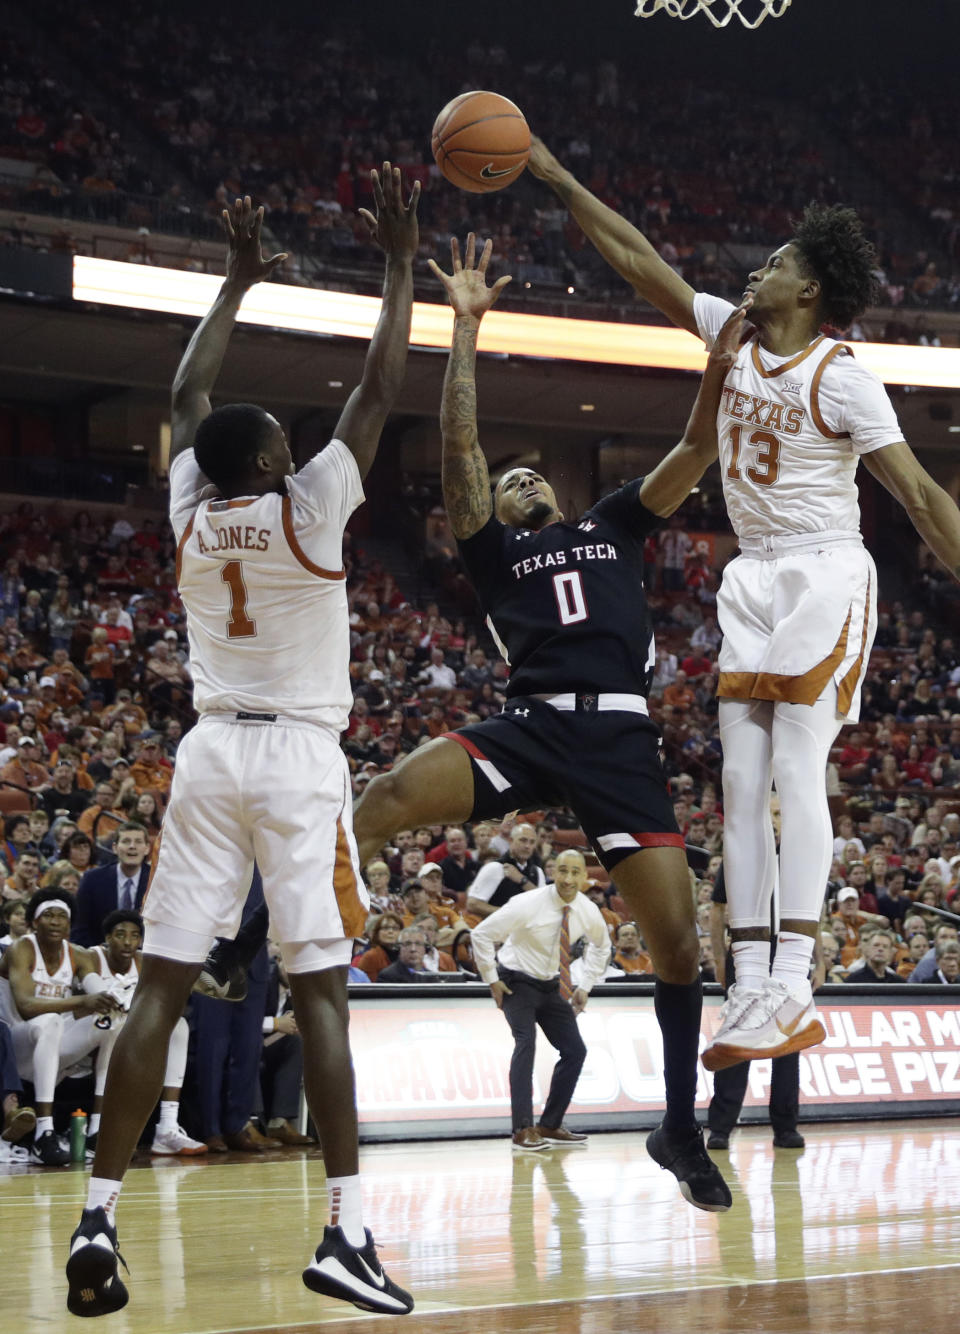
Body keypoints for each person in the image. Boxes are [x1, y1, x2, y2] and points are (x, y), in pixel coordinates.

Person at [65, 175, 419, 1320]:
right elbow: (376, 386)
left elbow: (185, 390)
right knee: (318, 994)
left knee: (158, 987)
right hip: (299, 762)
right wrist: (402, 265)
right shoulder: (309, 507)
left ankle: (98, 1216)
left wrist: (238, 275)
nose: (293, 433)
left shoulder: (187, 507)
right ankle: (348, 1232)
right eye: (282, 433)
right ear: (272, 462)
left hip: (209, 755)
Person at [528, 139, 960, 1070]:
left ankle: (796, 977)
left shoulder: (841, 376)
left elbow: (921, 497)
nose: (757, 270)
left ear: (808, 292)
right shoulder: (732, 332)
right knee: (736, 785)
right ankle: (753, 984)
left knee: (798, 769)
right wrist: (561, 180)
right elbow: (642, 260)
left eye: (778, 264)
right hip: (752, 573)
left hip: (823, 571)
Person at [351, 233, 747, 1213]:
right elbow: (458, 451)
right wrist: (466, 326)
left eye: (536, 476)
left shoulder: (612, 519)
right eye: (510, 476)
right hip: (529, 721)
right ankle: (275, 943)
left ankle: (678, 1126)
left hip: (616, 732)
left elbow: (696, 449)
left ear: (559, 494)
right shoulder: (489, 552)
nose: (522, 480)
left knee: (680, 941)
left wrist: (718, 365)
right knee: (382, 798)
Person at [471, 849, 609, 1150]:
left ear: (585, 877)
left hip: (551, 985)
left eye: (575, 872)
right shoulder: (527, 903)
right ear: (552, 872)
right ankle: (522, 1130)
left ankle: (549, 1124)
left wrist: (585, 984)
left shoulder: (587, 909)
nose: (568, 878)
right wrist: (492, 979)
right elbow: (480, 934)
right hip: (516, 981)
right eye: (562, 870)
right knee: (526, 1042)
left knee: (575, 1050)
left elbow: (602, 946)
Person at [0, 890, 121, 1165]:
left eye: (62, 917)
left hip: (50, 1051)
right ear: (34, 921)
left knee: (110, 1023)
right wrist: (83, 1001)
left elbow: (98, 991)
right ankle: (45, 1132)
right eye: (48, 916)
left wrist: (109, 1000)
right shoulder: (21, 949)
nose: (55, 922)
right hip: (12, 1048)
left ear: (70, 924)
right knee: (49, 1020)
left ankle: (97, 1129)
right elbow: (26, 1007)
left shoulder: (79, 954)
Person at [87, 910, 206, 1156]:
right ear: (107, 938)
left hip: (126, 1037)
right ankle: (96, 1130)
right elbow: (106, 1001)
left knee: (179, 1025)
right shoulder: (91, 956)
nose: (128, 942)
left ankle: (167, 1126)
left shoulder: (145, 961)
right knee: (115, 1026)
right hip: (85, 1034)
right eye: (120, 935)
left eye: (134, 936)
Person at [71, 823, 150, 948]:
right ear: (114, 847)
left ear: (147, 848)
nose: (132, 846)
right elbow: (79, 928)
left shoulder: (157, 882)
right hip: (99, 958)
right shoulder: (92, 879)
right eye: (126, 841)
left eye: (138, 842)